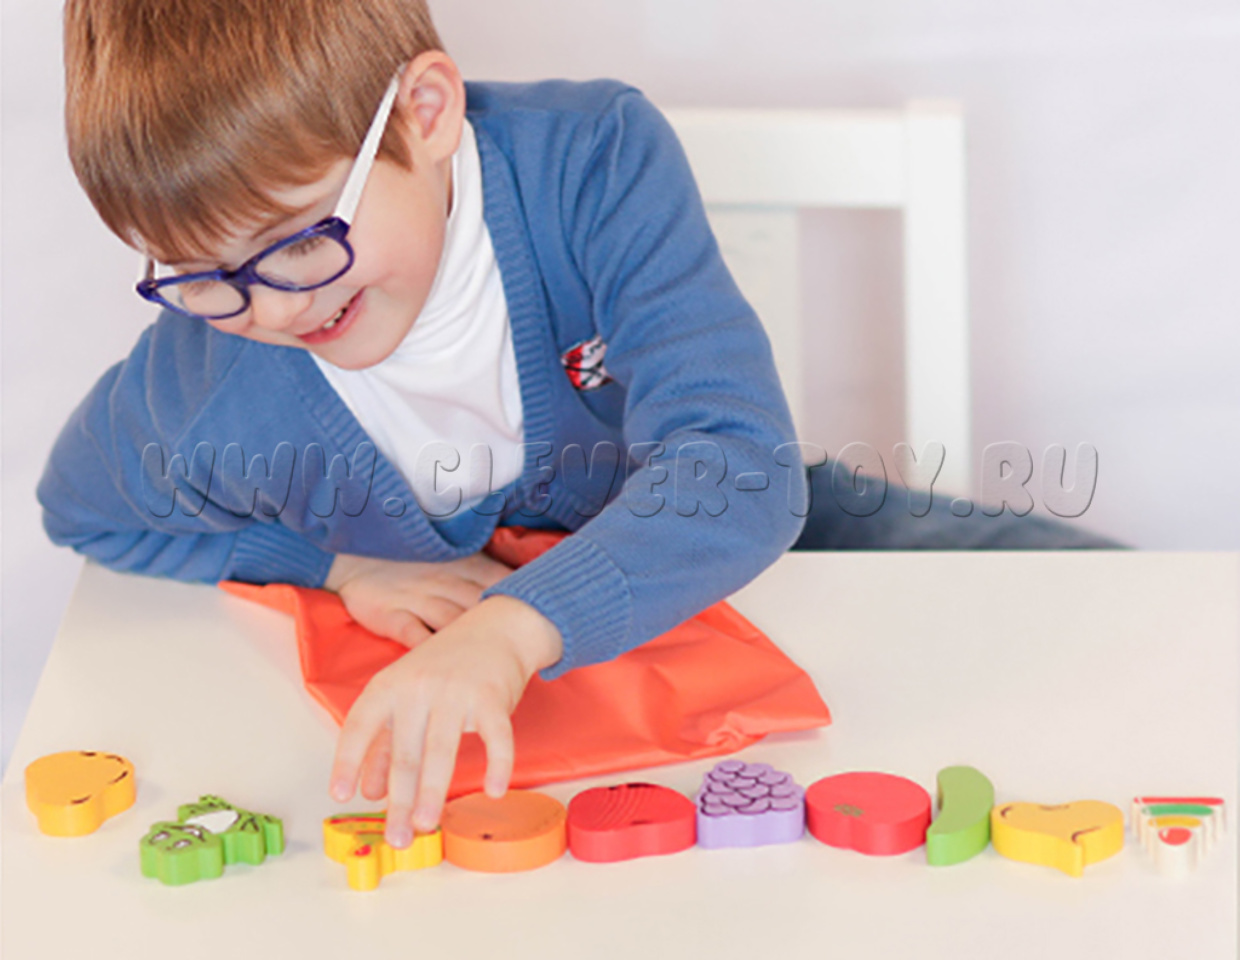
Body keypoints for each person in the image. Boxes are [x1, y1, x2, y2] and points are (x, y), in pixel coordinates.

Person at [39, 0, 1116, 851]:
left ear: (424, 112)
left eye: (299, 242)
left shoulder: (594, 161)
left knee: (1109, 599)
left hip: (761, 546)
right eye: (202, 277)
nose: (274, 311)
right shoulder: (209, 377)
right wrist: (336, 567)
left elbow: (736, 471)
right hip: (590, 772)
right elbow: (86, 509)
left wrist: (509, 630)